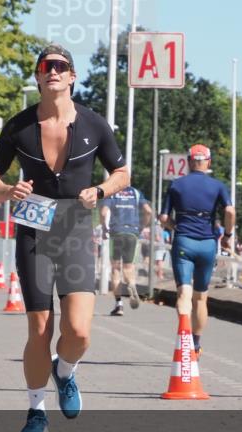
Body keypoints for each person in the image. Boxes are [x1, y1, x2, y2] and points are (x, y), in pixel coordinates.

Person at [0, 44, 129, 432]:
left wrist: (99, 190)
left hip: (77, 227)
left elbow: (122, 173)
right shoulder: (19, 126)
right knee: (40, 329)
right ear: (37, 76)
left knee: (79, 331)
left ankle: (64, 372)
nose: (53, 72)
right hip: (34, 228)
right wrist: (8, 189)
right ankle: (35, 412)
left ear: (72, 76)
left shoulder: (95, 125)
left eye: (60, 67)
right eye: (46, 66)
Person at [159, 144, 235, 357]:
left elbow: (164, 218)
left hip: (184, 241)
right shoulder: (218, 186)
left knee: (184, 292)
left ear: (189, 162)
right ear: (208, 162)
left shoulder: (176, 185)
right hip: (208, 244)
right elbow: (229, 210)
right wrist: (227, 236)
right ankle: (196, 344)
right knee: (201, 298)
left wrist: (176, 227)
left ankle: (183, 339)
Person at [100, 185, 152, 316]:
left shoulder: (112, 192)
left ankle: (119, 304)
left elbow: (103, 212)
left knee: (116, 268)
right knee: (129, 267)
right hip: (132, 232)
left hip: (116, 232)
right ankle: (132, 284)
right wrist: (142, 226)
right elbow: (148, 211)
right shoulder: (136, 193)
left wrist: (104, 228)